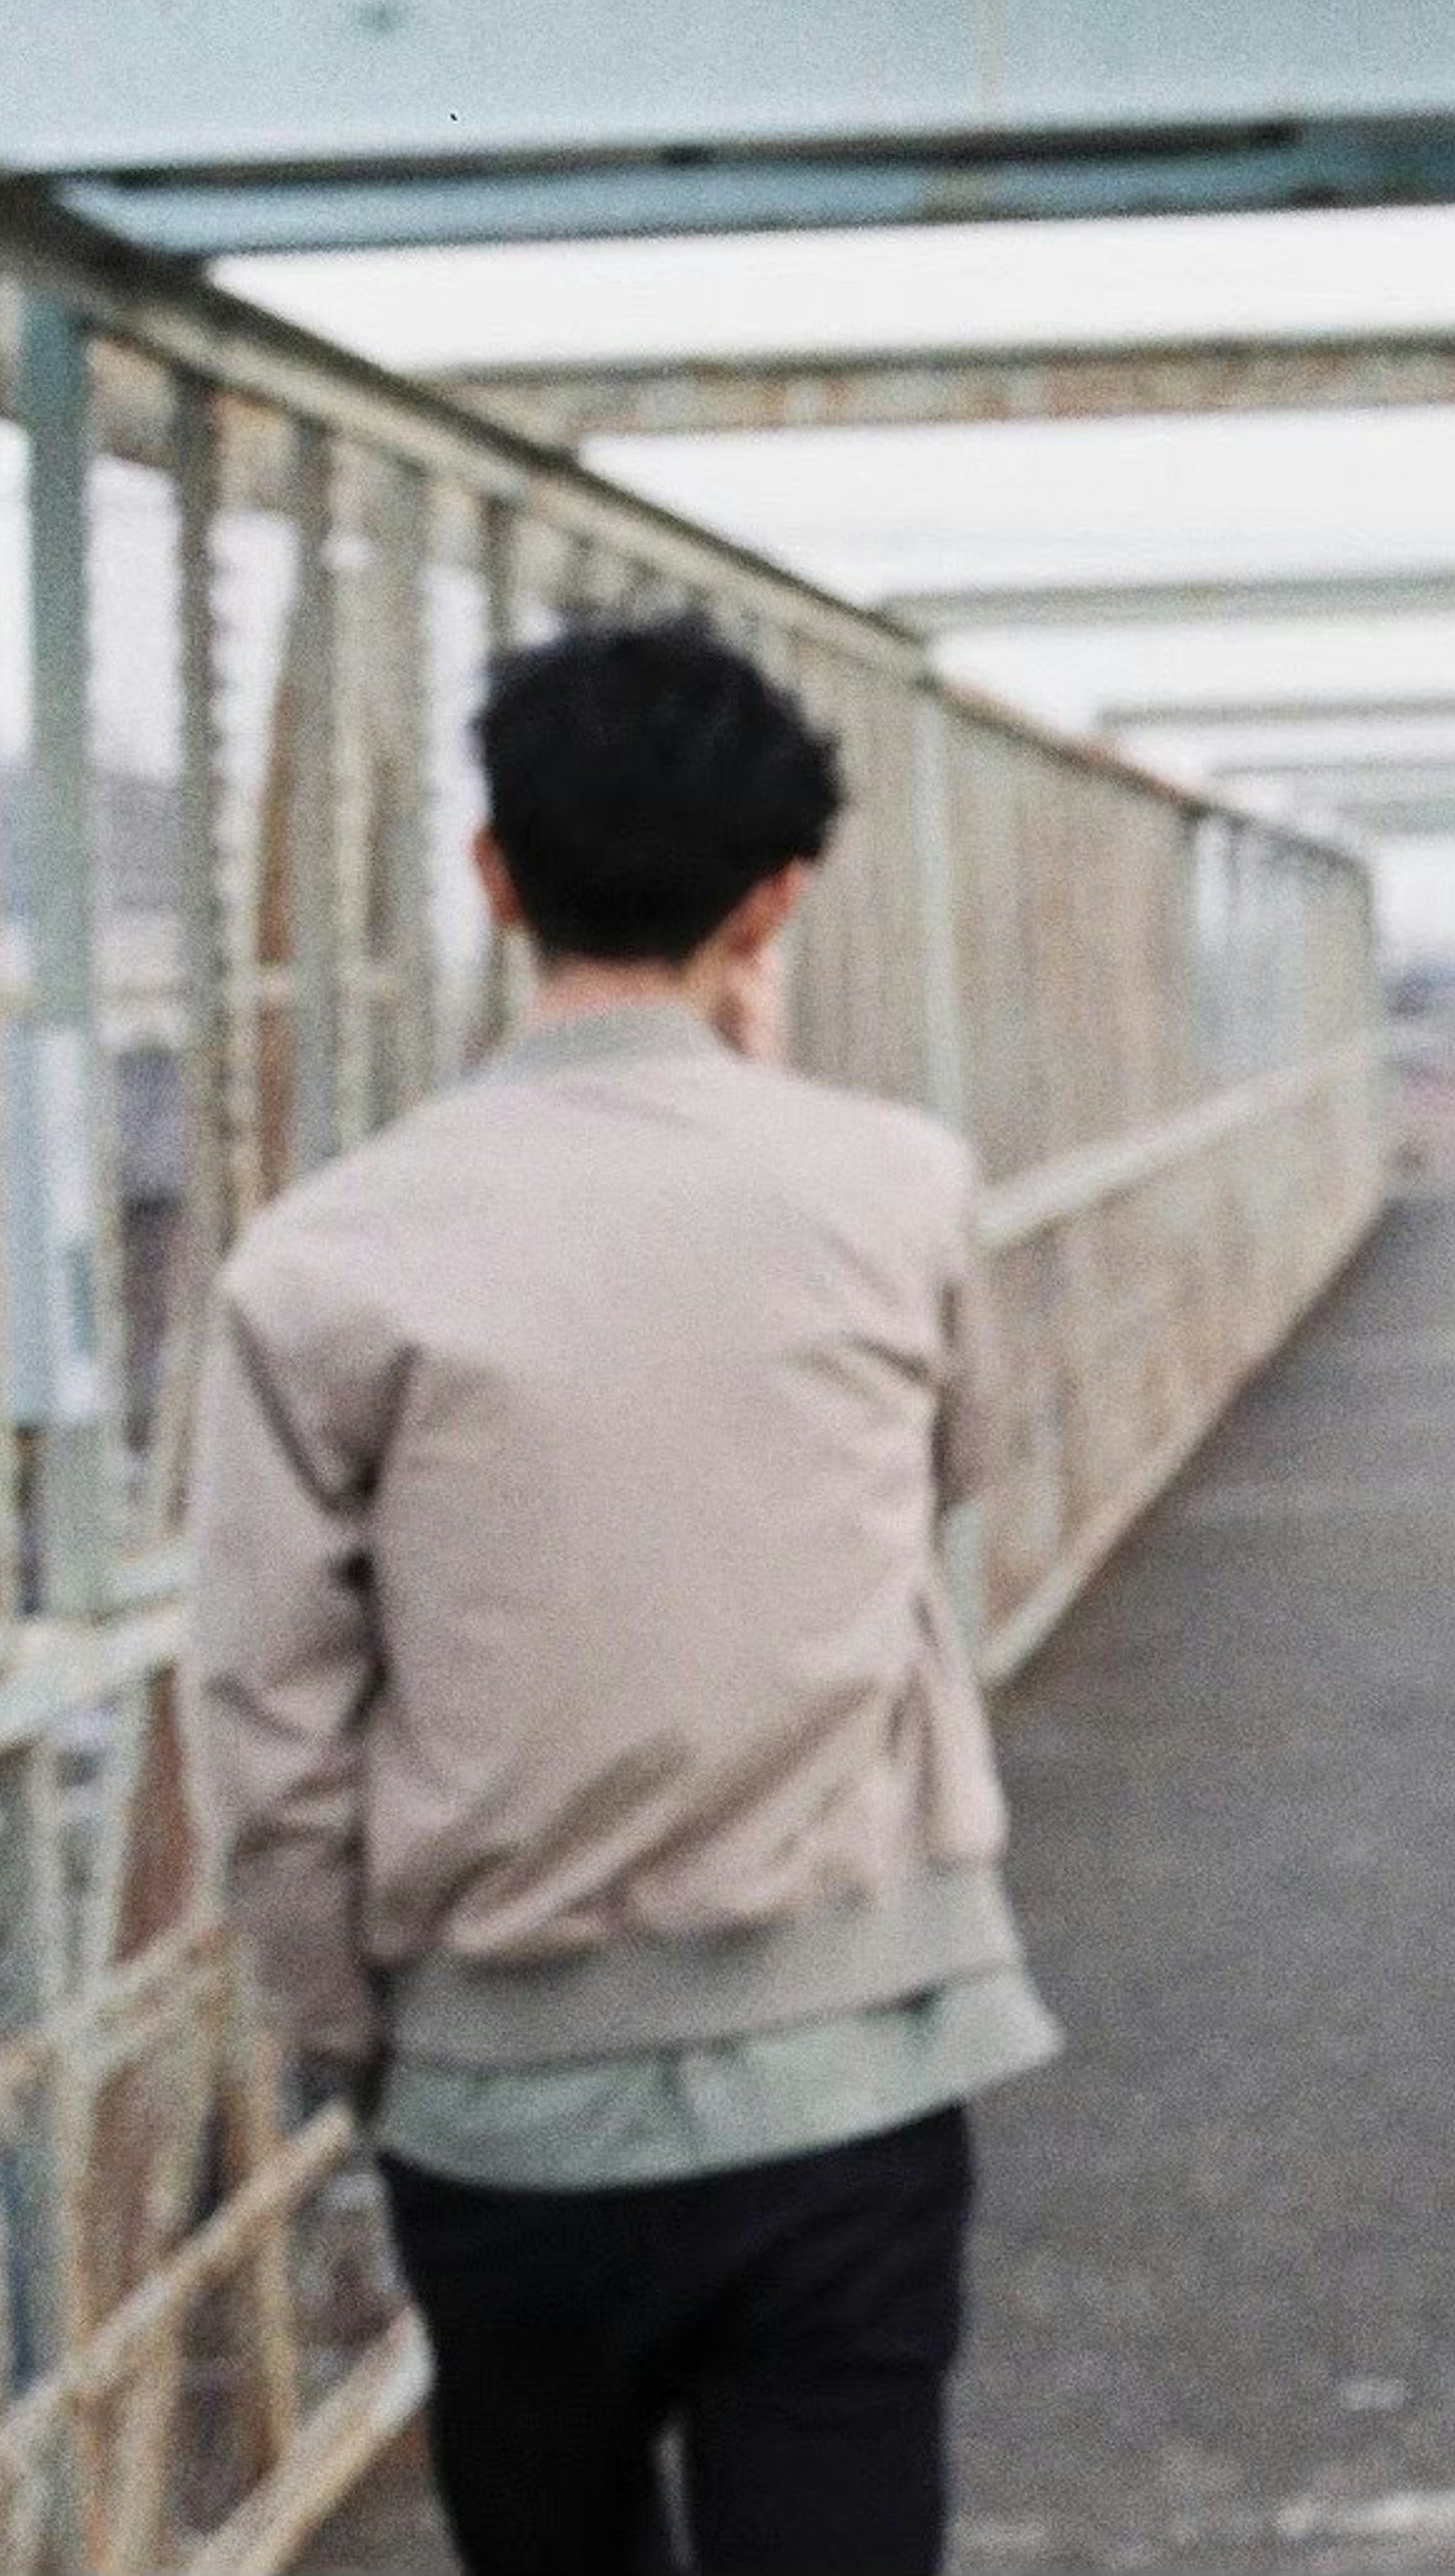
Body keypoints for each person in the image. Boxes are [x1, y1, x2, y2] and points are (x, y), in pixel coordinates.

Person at [183, 616, 1055, 2576]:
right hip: (850, 2059)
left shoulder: (323, 1256)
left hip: (503, 2103)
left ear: (495, 876)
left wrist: (370, 2037)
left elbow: (264, 1715)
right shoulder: (894, 1183)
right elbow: (959, 1464)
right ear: (779, 899)